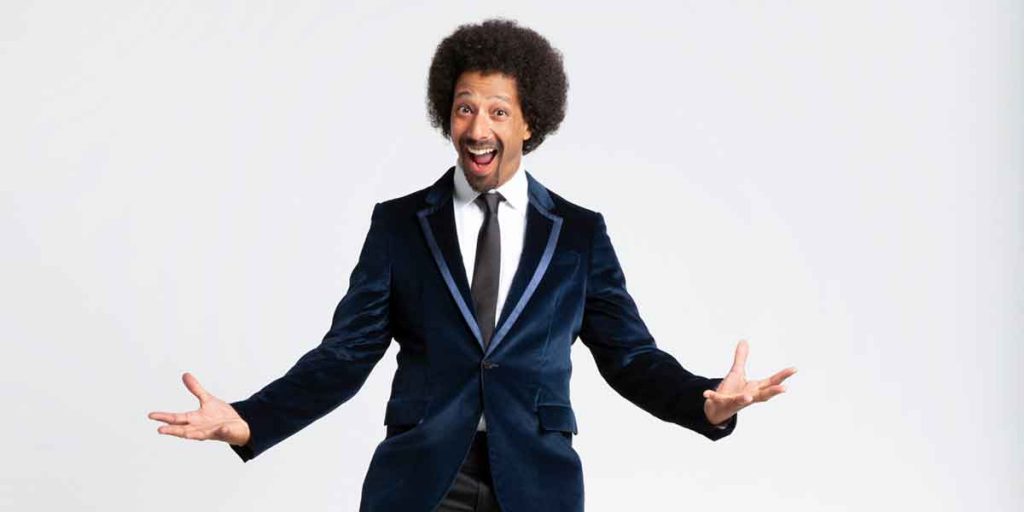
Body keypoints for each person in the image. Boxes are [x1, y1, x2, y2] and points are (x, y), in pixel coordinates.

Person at [149, 19, 796, 512]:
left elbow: (630, 357)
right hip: (422, 479)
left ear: (529, 123)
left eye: (497, 111)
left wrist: (706, 403)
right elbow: (346, 354)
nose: (478, 127)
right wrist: (252, 419)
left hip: (537, 482)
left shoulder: (577, 235)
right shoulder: (400, 225)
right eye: (465, 108)